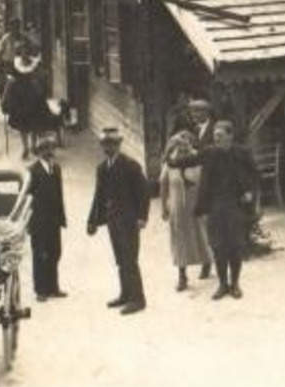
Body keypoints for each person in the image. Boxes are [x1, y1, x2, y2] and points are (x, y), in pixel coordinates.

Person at [87, 127, 149, 314]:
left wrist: (142, 217)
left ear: (119, 144)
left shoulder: (131, 165)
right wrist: (92, 221)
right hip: (113, 220)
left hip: (129, 221)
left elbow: (143, 193)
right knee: (120, 260)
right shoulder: (102, 168)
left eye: (112, 144)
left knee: (130, 259)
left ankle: (138, 299)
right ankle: (125, 294)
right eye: (105, 144)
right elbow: (99, 195)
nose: (108, 147)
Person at [197, 120, 259, 299]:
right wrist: (171, 157)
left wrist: (249, 192)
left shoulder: (242, 152)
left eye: (220, 136)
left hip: (235, 206)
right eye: (215, 136)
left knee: (235, 246)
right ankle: (222, 285)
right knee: (218, 247)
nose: (216, 139)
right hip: (215, 206)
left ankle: (235, 284)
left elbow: (255, 174)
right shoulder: (209, 152)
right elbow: (191, 159)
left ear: (230, 136)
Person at [159, 125, 212, 292]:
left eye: (187, 142)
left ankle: (207, 262)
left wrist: (207, 204)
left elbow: (207, 183)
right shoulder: (170, 161)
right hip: (177, 206)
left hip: (196, 204)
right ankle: (182, 275)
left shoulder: (198, 159)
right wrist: (164, 207)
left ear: (192, 143)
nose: (183, 145)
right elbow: (163, 184)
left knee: (201, 235)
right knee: (179, 239)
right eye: (179, 143)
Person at [25, 136, 68, 302]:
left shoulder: (56, 168)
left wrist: (61, 218)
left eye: (51, 148)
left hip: (53, 220)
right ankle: (41, 290)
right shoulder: (32, 171)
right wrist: (29, 222)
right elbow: (26, 198)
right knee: (40, 254)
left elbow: (59, 195)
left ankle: (53, 287)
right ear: (39, 152)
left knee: (55, 252)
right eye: (45, 149)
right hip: (38, 221)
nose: (49, 152)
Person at [2, 52, 53, 159]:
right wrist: (6, 103)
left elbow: (42, 90)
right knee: (25, 127)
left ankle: (31, 147)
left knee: (30, 126)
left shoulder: (33, 76)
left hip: (30, 104)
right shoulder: (16, 78)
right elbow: (8, 90)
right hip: (23, 104)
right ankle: (27, 147)